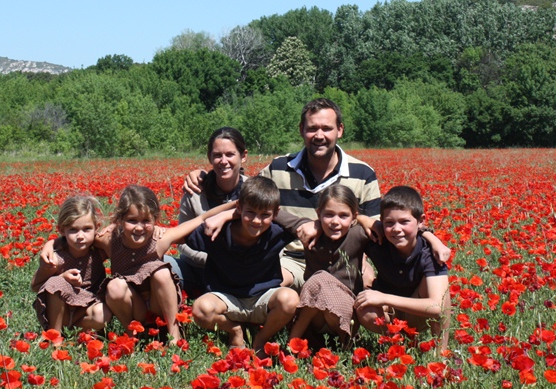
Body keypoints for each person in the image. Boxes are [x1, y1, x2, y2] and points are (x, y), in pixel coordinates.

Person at [186, 98, 450, 290]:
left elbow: (379, 227)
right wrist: (208, 181)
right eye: (312, 128)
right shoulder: (278, 168)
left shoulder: (362, 173)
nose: (319, 135)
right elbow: (252, 200)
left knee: (364, 288)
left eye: (326, 128)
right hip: (288, 258)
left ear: (340, 130)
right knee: (271, 284)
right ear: (302, 130)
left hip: (343, 258)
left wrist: (429, 237)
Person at [40, 186, 235, 344]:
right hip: (134, 306)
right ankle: (133, 333)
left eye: (146, 221)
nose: (139, 227)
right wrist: (50, 244)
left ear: (155, 220)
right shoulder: (110, 239)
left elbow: (201, 218)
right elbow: (78, 236)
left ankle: (174, 333)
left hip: (159, 304)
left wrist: (237, 205)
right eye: (132, 221)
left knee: (161, 273)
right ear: (120, 220)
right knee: (114, 286)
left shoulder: (161, 239)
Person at [186, 176, 303, 353]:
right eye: (250, 212)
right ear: (239, 208)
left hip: (263, 297)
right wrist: (219, 216)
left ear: (276, 214)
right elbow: (181, 236)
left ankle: (261, 339)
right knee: (201, 309)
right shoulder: (218, 231)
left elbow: (311, 227)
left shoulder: (277, 232)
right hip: (226, 298)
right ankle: (234, 330)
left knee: (290, 299)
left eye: (265, 215)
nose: (256, 221)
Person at [354, 186, 451, 349]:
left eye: (404, 222)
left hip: (417, 312)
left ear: (421, 221)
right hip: (388, 312)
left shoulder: (431, 253)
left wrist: (384, 298)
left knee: (442, 294)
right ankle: (397, 343)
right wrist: (363, 219)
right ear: (381, 222)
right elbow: (344, 219)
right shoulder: (378, 241)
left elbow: (436, 307)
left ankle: (441, 352)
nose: (396, 229)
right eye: (389, 223)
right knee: (365, 308)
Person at [167, 127, 247, 299]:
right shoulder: (195, 193)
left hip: (238, 273)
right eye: (217, 155)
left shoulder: (253, 193)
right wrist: (215, 259)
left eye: (230, 154)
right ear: (209, 157)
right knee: (157, 266)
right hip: (196, 270)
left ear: (243, 156)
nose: (223, 161)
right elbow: (181, 242)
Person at [288, 185, 370, 348]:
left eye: (343, 216)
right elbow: (275, 213)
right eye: (328, 214)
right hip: (316, 314)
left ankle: (293, 343)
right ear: (318, 213)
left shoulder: (358, 235)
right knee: (319, 281)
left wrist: (364, 220)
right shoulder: (309, 231)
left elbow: (390, 232)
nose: (335, 222)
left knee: (319, 278)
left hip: (344, 313)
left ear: (354, 217)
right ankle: (302, 344)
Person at [31, 195, 110, 334]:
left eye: (87, 229)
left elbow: (120, 237)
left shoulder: (98, 252)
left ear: (96, 227)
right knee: (55, 282)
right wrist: (62, 278)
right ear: (62, 230)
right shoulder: (56, 259)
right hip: (62, 311)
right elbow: (35, 286)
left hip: (87, 309)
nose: (80, 236)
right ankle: (55, 335)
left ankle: (74, 330)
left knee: (102, 314)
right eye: (73, 230)